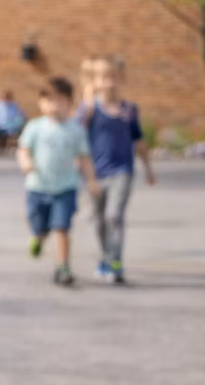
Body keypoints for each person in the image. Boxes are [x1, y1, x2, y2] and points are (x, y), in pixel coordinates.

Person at [17, 76, 102, 287]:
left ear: (69, 104)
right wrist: (26, 163)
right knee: (39, 224)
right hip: (37, 187)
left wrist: (91, 181)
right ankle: (38, 237)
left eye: (61, 101)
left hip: (65, 188)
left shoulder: (76, 130)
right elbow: (23, 149)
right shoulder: (35, 127)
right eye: (51, 101)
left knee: (62, 228)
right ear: (41, 103)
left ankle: (63, 267)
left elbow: (84, 158)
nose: (56, 106)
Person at [79, 56, 156, 284]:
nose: (109, 82)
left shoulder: (129, 110)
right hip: (95, 174)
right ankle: (105, 257)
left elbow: (139, 141)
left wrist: (148, 169)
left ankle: (115, 263)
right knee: (100, 220)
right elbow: (76, 135)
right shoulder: (90, 108)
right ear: (95, 81)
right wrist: (87, 100)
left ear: (121, 79)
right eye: (103, 77)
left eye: (113, 77)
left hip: (122, 171)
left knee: (114, 216)